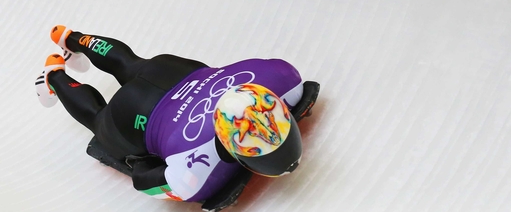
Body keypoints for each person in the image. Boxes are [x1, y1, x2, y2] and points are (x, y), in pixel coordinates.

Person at [35, 26, 319, 210]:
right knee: (99, 121)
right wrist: (142, 161)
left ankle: (69, 36)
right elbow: (143, 180)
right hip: (137, 113)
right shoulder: (191, 174)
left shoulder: (282, 79)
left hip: (173, 71)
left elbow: (145, 180)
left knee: (130, 63)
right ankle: (53, 76)